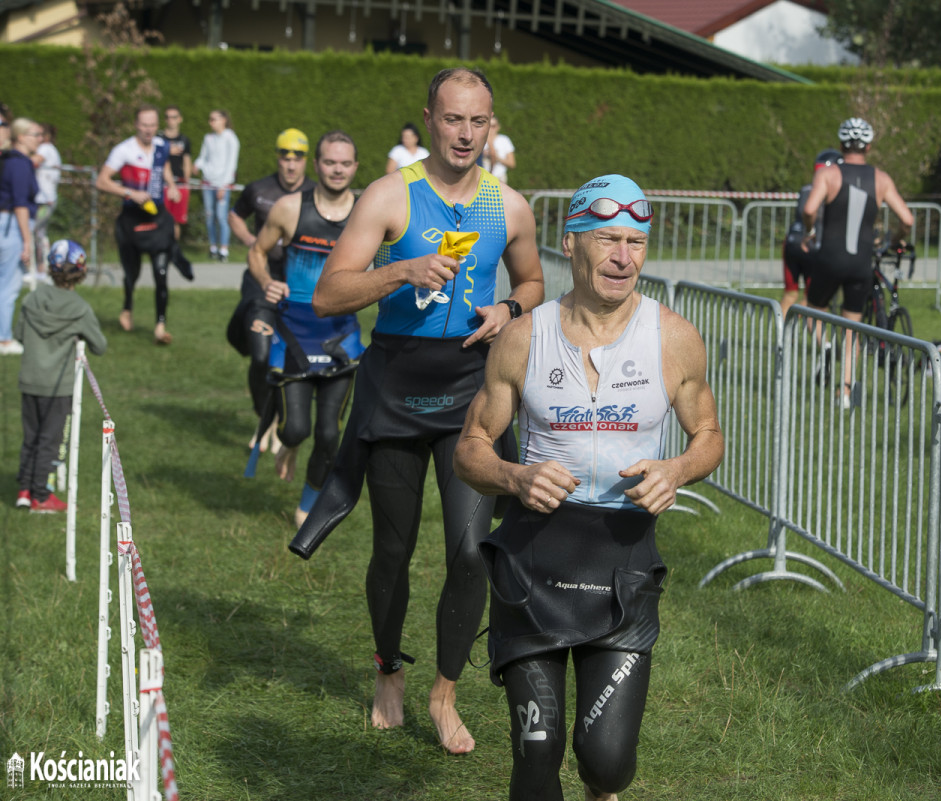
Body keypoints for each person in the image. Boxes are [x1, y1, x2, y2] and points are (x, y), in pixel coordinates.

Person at [453, 173, 724, 801]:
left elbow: (707, 431)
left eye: (636, 241)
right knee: (537, 757)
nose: (623, 257)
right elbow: (470, 449)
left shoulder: (673, 337)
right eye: (607, 239)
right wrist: (516, 475)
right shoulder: (523, 337)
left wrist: (676, 470)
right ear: (571, 244)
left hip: (622, 565)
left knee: (605, 763)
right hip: (534, 562)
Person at [301, 66, 544, 753]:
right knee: (393, 549)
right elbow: (327, 294)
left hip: (472, 389)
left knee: (472, 553)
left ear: (490, 126)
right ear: (430, 120)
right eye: (452, 119)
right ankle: (387, 668)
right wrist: (399, 271)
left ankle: (444, 689)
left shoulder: (510, 205)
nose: (465, 133)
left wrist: (510, 308)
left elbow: (532, 278)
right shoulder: (389, 196)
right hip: (397, 387)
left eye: (478, 121)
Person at [248, 131, 363, 527]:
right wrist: (266, 282)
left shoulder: (367, 212)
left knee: (330, 434)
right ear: (317, 165)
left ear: (355, 168)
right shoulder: (289, 208)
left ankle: (308, 504)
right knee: (296, 428)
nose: (337, 169)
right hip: (294, 327)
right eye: (330, 162)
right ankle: (289, 445)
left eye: (345, 163)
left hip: (342, 331)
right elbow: (257, 251)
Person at [802, 117, 914, 408]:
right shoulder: (882, 178)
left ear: (841, 145)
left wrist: (809, 230)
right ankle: (846, 392)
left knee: (813, 309)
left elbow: (810, 208)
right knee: (852, 329)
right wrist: (893, 239)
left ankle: (824, 345)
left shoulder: (828, 174)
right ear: (869, 146)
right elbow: (908, 219)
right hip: (861, 264)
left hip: (829, 258)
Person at [229, 128, 316, 452]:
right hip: (260, 280)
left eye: (297, 157)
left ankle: (281, 423)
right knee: (262, 356)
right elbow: (235, 215)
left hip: (298, 284)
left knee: (292, 355)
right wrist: (254, 244)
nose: (290, 164)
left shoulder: (316, 192)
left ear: (306, 160)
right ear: (277, 157)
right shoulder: (259, 189)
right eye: (285, 156)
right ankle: (262, 421)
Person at [15, 239, 107, 511]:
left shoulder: (31, 299)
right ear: (80, 270)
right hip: (58, 386)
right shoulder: (80, 308)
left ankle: (24, 489)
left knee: (30, 437)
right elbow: (100, 346)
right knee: (49, 441)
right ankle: (41, 496)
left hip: (29, 380)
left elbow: (19, 334)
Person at [95, 104, 186, 345]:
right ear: (136, 125)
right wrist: (129, 193)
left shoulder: (161, 146)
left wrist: (173, 186)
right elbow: (102, 182)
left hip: (156, 218)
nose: (148, 130)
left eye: (153, 125)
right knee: (131, 274)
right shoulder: (123, 150)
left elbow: (164, 166)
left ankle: (160, 326)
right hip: (131, 221)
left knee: (161, 272)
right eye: (144, 125)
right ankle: (127, 308)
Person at [781, 148, 841, 312]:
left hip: (792, 241)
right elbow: (811, 212)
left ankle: (782, 335)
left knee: (790, 294)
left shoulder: (806, 189)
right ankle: (821, 337)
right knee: (812, 299)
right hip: (812, 244)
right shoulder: (831, 191)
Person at [0, 118, 40, 355]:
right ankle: (4, 338)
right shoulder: (19, 164)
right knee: (9, 284)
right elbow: (21, 205)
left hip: (7, 224)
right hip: (11, 226)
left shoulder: (8, 160)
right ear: (22, 136)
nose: (39, 139)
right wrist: (27, 241)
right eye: (35, 134)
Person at [194, 109, 240, 262]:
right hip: (208, 182)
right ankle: (213, 247)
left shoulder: (231, 138)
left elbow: (231, 164)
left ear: (223, 120)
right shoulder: (208, 138)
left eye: (214, 119)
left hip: (222, 185)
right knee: (209, 216)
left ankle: (224, 250)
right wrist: (196, 165)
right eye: (210, 119)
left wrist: (224, 185)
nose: (211, 122)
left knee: (221, 217)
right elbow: (203, 158)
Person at [160, 105, 193, 274]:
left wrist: (185, 183)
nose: (170, 120)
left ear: (179, 119)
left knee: (176, 221)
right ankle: (161, 249)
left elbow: (187, 161)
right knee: (161, 218)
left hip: (180, 184)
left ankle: (173, 249)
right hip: (163, 184)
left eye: (174, 117)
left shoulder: (184, 140)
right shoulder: (159, 138)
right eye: (167, 116)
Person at [31, 122, 61, 284]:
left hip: (44, 201)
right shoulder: (52, 150)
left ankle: (42, 268)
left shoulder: (45, 148)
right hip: (48, 199)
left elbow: (33, 162)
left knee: (34, 232)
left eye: (39, 134)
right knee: (40, 234)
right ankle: (44, 268)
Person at [483, 115, 515, 183]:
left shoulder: (504, 140)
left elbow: (512, 164)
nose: (490, 129)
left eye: (493, 126)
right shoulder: (480, 140)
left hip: (500, 178)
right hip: (482, 177)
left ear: (498, 127)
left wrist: (497, 158)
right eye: (488, 126)